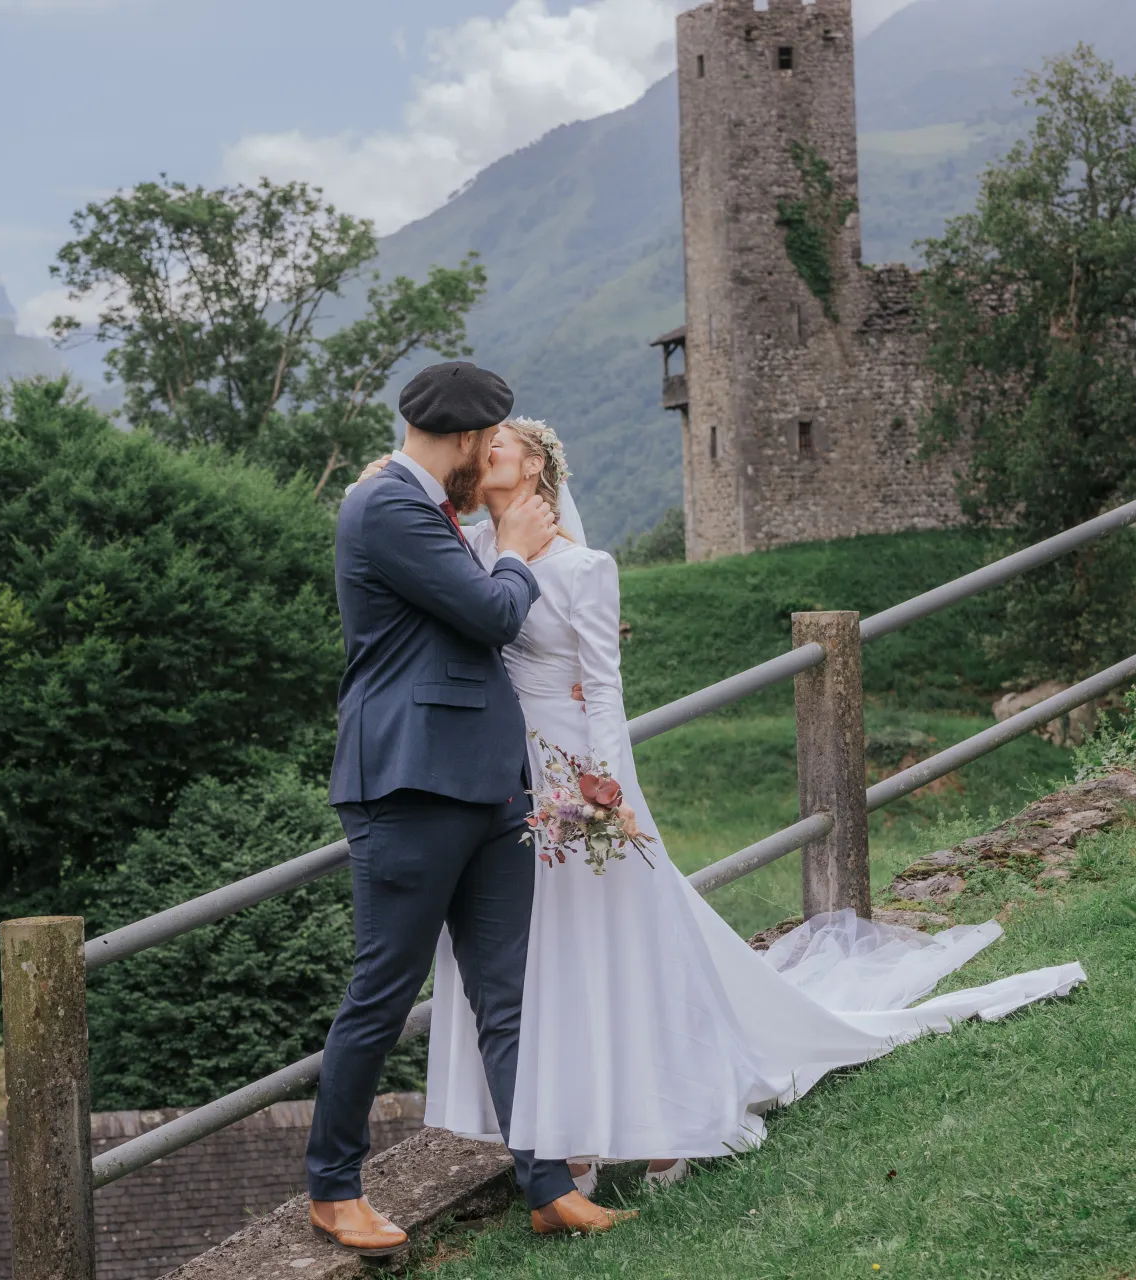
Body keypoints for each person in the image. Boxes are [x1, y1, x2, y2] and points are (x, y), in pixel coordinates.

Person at [355, 419, 1086, 1189]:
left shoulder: (585, 568)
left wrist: (609, 789)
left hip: (573, 775)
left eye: (498, 445)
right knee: (533, 957)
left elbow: (603, 691)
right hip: (502, 773)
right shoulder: (473, 550)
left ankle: (657, 1120)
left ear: (536, 466)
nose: (481, 452)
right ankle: (565, 1132)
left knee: (608, 948)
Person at [307, 364, 634, 1258]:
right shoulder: (390, 510)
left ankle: (545, 1185)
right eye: (482, 448)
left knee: (507, 994)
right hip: (410, 787)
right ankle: (333, 1189)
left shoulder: (415, 497)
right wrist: (523, 555)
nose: (487, 461)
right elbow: (492, 614)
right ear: (456, 447)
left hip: (491, 786)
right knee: (381, 990)